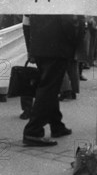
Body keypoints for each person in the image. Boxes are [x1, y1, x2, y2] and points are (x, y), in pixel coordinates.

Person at [22, 15, 76, 146]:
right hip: (56, 48)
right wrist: (75, 41)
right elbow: (68, 23)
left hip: (40, 47)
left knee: (50, 86)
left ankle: (56, 124)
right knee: (49, 89)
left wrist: (31, 49)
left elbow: (26, 22)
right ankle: (33, 131)